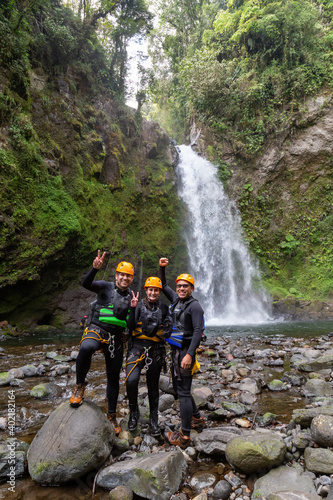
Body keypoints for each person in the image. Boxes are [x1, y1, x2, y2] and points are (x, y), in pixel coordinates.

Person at [70, 250, 134, 432]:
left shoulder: (132, 298)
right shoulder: (105, 287)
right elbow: (85, 283)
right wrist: (94, 268)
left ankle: (111, 416)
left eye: (128, 276)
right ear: (116, 275)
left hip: (116, 338)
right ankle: (79, 386)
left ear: (132, 278)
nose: (124, 278)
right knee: (86, 347)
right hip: (97, 329)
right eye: (121, 274)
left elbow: (135, 320)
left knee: (113, 376)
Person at [158, 257, 206, 448]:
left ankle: (184, 436)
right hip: (176, 350)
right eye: (179, 286)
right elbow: (162, 285)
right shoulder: (176, 300)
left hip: (185, 351)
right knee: (179, 390)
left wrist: (189, 355)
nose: (181, 289)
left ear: (192, 288)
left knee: (184, 392)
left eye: (186, 286)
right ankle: (196, 418)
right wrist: (162, 268)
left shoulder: (195, 307)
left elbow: (197, 331)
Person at [125, 277, 172, 436]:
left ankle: (153, 420)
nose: (153, 292)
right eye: (150, 289)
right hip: (137, 349)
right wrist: (132, 308)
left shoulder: (165, 308)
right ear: (146, 290)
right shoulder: (137, 306)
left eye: (156, 290)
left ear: (159, 292)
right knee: (131, 381)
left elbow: (168, 330)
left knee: (153, 387)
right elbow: (130, 327)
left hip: (155, 351)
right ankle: (134, 412)